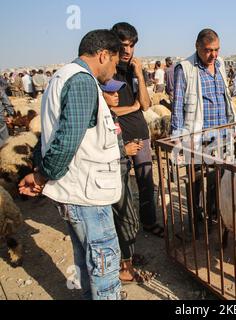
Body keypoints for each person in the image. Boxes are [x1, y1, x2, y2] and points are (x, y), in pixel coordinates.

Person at [18, 29, 124, 300]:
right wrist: (42, 177)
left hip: (77, 189)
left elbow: (51, 135)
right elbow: (67, 139)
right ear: (103, 55)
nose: (114, 70)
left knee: (87, 261)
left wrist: (39, 172)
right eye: (114, 61)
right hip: (87, 193)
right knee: (103, 263)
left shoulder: (62, 76)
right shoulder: (82, 82)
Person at [171, 28, 236, 237]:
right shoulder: (186, 68)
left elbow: (225, 98)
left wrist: (233, 126)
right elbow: (178, 104)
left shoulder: (220, 65)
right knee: (195, 180)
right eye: (208, 50)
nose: (213, 55)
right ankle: (194, 220)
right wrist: (178, 138)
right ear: (197, 47)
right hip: (198, 137)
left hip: (222, 136)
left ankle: (213, 215)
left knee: (218, 178)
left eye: (216, 49)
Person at [111, 22, 161, 238]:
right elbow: (106, 110)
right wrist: (132, 107)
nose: (128, 51)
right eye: (124, 45)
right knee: (120, 188)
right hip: (117, 139)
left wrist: (140, 75)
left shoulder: (132, 70)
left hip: (140, 134)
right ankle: (125, 232)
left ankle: (149, 223)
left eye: (131, 46)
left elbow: (147, 104)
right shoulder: (107, 72)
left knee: (146, 183)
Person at [100, 79, 145, 284]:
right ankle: (125, 268)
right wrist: (123, 151)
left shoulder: (111, 114)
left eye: (117, 91)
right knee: (128, 220)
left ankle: (125, 260)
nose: (116, 95)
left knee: (125, 219)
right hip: (112, 174)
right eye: (110, 92)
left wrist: (124, 146)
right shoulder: (99, 117)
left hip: (120, 171)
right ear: (100, 94)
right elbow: (95, 148)